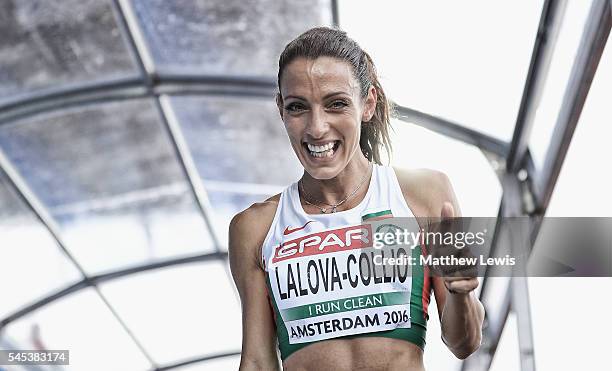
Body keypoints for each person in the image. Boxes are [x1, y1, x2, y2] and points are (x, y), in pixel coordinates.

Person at [229, 27, 484, 371]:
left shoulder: (426, 195)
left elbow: (463, 343)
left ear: (368, 104)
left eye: (336, 104)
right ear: (281, 109)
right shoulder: (255, 227)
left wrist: (461, 293)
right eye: (298, 107)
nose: (317, 128)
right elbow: (258, 361)